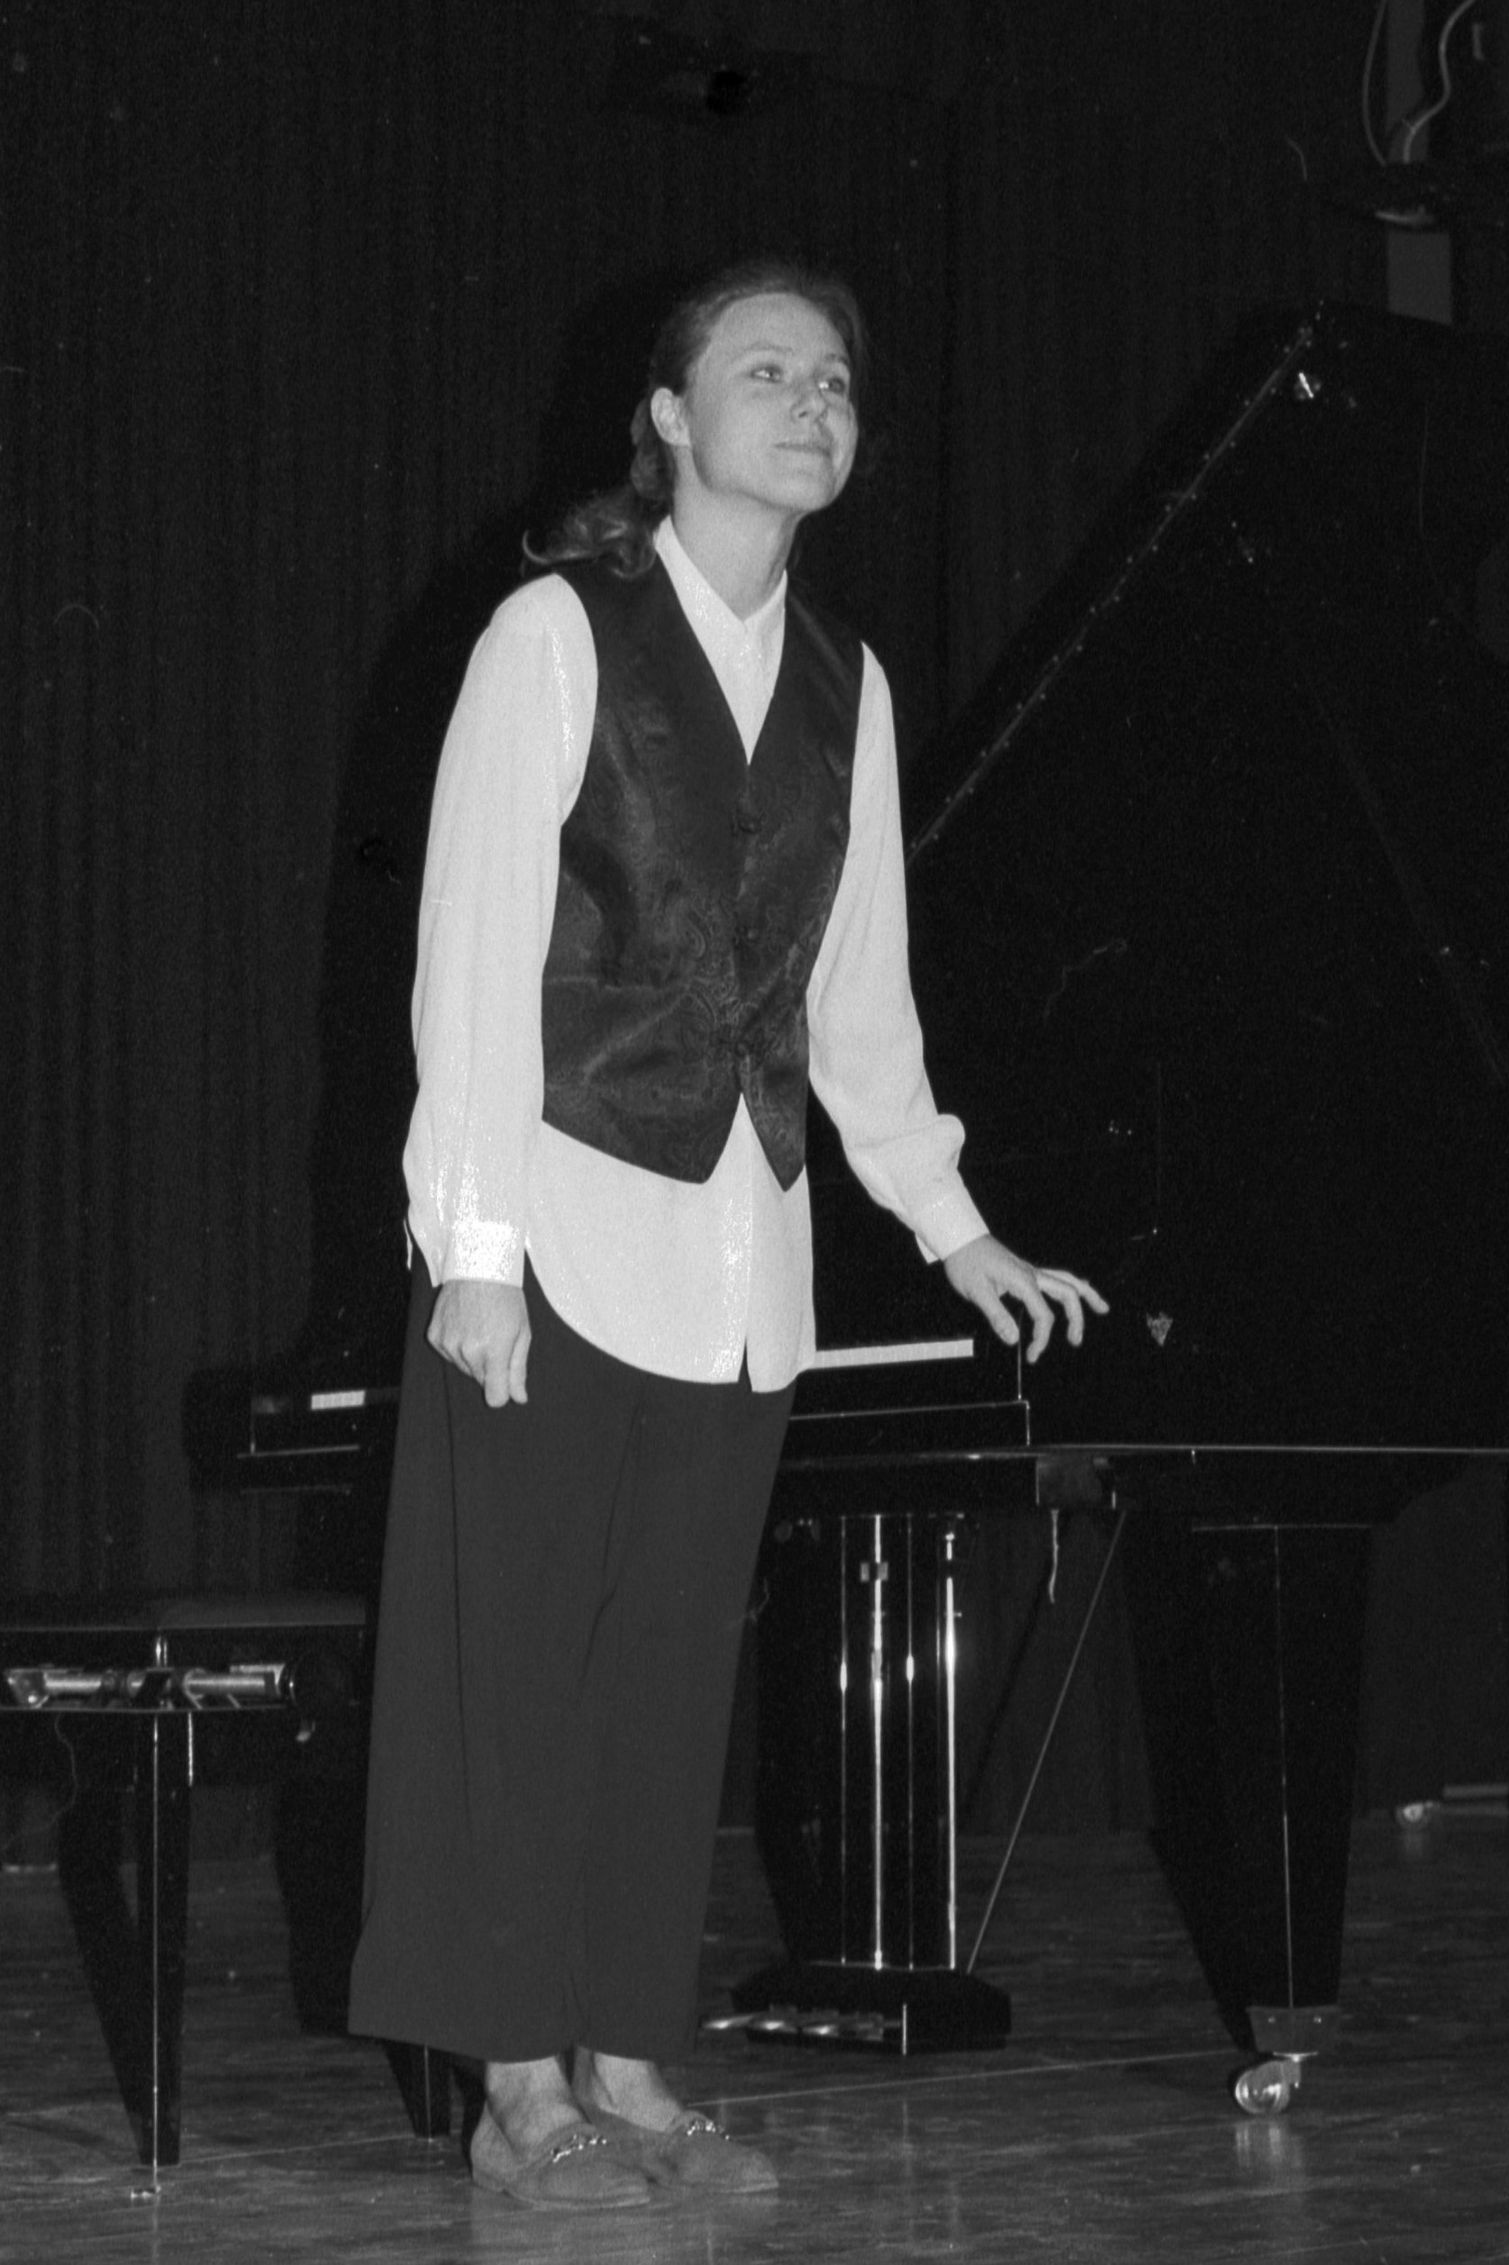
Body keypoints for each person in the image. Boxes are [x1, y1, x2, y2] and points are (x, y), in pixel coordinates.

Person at [347, 256, 1106, 2212]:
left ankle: (625, 2053)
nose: (810, 401)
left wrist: (954, 1227)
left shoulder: (850, 686)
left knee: (669, 1679)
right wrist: (471, 1245)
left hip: (739, 1261)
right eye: (764, 371)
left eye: (834, 378)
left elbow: (860, 1002)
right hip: (551, 1228)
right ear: (670, 420)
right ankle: (518, 2082)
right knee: (512, 1672)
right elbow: (469, 948)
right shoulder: (553, 632)